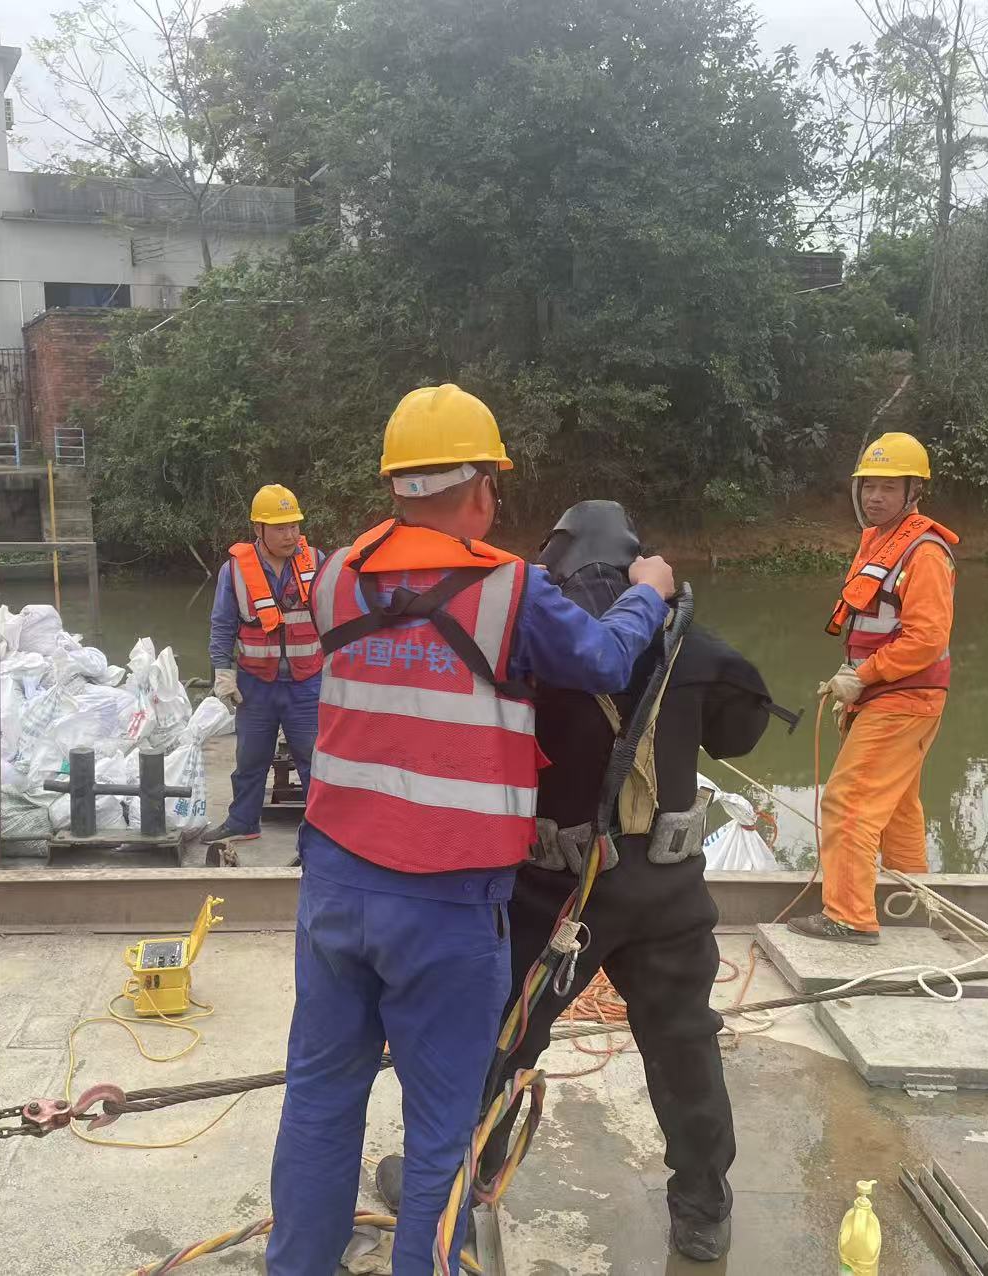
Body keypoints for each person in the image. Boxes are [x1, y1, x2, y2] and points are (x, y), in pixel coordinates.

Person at [265, 386, 676, 1276]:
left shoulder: (332, 575)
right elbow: (607, 659)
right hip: (447, 907)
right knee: (442, 1127)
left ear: (395, 483)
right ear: (485, 488)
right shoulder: (510, 591)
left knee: (319, 1098)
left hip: (334, 889)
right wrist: (648, 592)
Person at [376, 500, 780, 1264]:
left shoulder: (536, 644)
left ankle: (465, 1178)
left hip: (555, 896)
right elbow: (743, 730)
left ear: (553, 567)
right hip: (667, 894)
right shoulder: (692, 643)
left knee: (500, 1036)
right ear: (639, 564)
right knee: (684, 1042)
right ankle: (702, 1208)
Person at [789, 432, 957, 945]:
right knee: (898, 805)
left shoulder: (924, 553)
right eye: (869, 486)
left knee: (848, 802)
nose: (875, 497)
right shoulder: (881, 542)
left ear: (913, 491)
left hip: (903, 699)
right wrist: (856, 680)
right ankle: (912, 901)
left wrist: (862, 676)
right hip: (888, 696)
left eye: (888, 487)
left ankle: (849, 917)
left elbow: (927, 638)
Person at [203, 484, 324, 844]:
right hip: (256, 684)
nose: (290, 536)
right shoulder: (235, 571)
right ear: (258, 528)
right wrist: (223, 673)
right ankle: (243, 821)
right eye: (280, 528)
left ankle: (321, 831)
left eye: (294, 526)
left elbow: (337, 617)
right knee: (250, 759)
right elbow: (223, 625)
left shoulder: (317, 561)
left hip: (307, 682)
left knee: (315, 760)